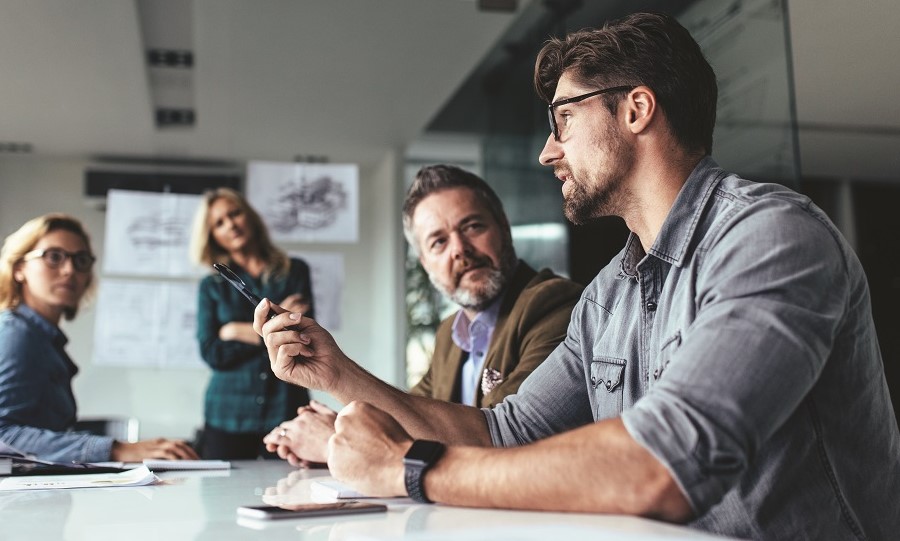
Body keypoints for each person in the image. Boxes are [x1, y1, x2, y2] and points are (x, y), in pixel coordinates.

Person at [254, 12, 900, 540]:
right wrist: (334, 372)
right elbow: (503, 433)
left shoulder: (771, 236)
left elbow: (664, 467)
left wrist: (410, 468)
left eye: (564, 117)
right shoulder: (610, 292)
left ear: (637, 109)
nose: (547, 150)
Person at [263, 165, 583, 465]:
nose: (459, 249)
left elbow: (500, 439)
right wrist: (342, 427)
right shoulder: (450, 333)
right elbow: (410, 418)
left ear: (503, 228)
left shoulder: (554, 305)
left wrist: (336, 439)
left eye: (472, 226)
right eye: (438, 242)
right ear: (425, 262)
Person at [0, 213, 198, 463]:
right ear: (19, 269)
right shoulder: (15, 334)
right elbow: (3, 434)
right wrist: (116, 449)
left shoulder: (43, 338)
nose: (70, 270)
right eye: (53, 257)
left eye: (81, 260)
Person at [190, 188, 314, 460]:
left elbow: (301, 338)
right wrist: (272, 330)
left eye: (235, 214)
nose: (231, 224)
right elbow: (212, 352)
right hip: (228, 414)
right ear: (212, 236)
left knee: (290, 492)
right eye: (219, 223)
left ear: (250, 217)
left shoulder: (294, 272)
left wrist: (233, 331)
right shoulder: (211, 287)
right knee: (221, 498)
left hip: (285, 407)